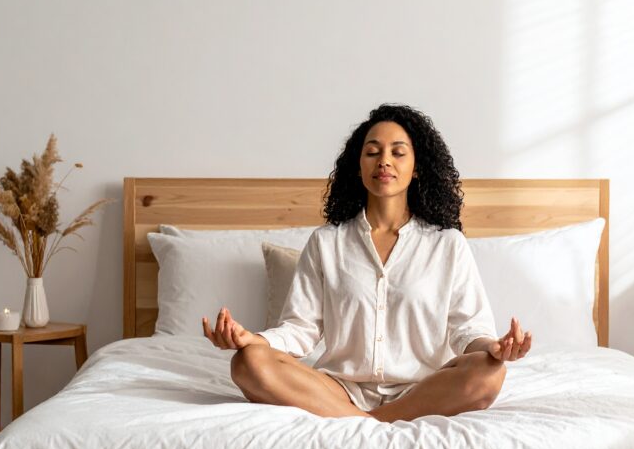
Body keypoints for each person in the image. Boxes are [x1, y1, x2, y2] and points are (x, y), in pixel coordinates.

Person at [202, 103, 532, 422]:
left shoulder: (447, 245)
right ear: (358, 165)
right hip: (337, 390)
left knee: (490, 372)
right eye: (372, 152)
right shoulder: (326, 242)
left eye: (398, 152)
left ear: (416, 167)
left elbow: (468, 330)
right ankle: (373, 419)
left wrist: (496, 348)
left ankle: (362, 421)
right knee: (247, 362)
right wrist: (252, 340)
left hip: (424, 390)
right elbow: (300, 329)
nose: (384, 161)